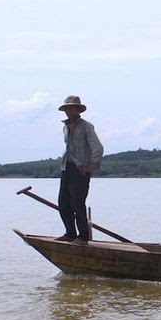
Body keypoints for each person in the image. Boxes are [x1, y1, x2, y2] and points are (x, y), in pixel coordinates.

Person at [56, 95, 103, 244]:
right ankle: (70, 233)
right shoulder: (65, 126)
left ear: (78, 110)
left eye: (71, 108)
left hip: (81, 169)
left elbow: (98, 148)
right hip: (66, 167)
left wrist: (90, 165)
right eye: (66, 108)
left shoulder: (86, 126)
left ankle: (83, 236)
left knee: (77, 202)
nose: (68, 111)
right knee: (63, 202)